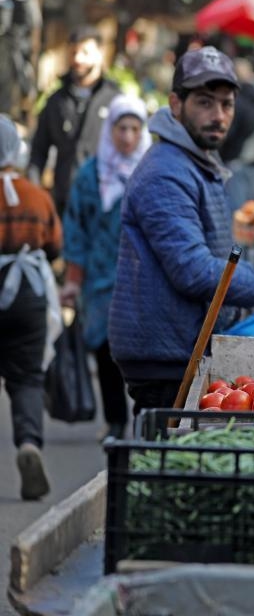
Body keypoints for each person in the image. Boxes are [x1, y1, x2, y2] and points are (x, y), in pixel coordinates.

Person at [107, 47, 254, 416]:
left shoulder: (196, 160)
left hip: (183, 343)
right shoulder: (165, 172)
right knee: (166, 458)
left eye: (226, 105)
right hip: (166, 353)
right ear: (175, 103)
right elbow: (193, 270)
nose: (218, 116)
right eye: (204, 103)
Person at [60, 95, 152, 440]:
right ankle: (115, 420)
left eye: (134, 128)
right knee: (103, 349)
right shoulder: (91, 174)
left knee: (142, 355)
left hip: (142, 279)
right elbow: (76, 227)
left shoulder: (150, 172)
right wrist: (73, 279)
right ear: (110, 130)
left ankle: (143, 420)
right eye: (121, 128)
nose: (127, 136)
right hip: (99, 279)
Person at [0, 114, 61, 499]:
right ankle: (28, 444)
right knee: (26, 377)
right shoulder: (37, 195)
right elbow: (54, 246)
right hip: (29, 292)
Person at [29, 25, 121, 214]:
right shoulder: (56, 101)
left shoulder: (115, 100)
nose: (78, 59)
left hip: (105, 205)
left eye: (85, 52)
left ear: (100, 54)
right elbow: (39, 150)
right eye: (74, 52)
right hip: (64, 202)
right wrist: (34, 191)